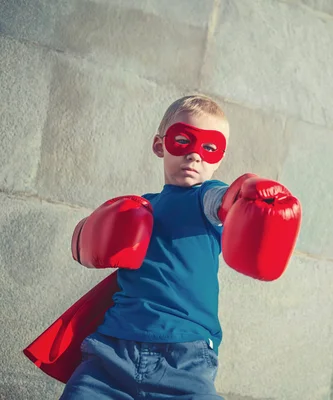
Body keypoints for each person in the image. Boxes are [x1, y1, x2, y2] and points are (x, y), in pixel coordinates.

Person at [25, 94, 301, 399]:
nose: (195, 156)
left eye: (209, 147)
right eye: (183, 140)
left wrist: (246, 195)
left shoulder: (205, 197)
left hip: (184, 357)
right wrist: (90, 234)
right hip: (113, 350)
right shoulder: (139, 207)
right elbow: (82, 245)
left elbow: (223, 202)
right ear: (160, 145)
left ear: (219, 159)